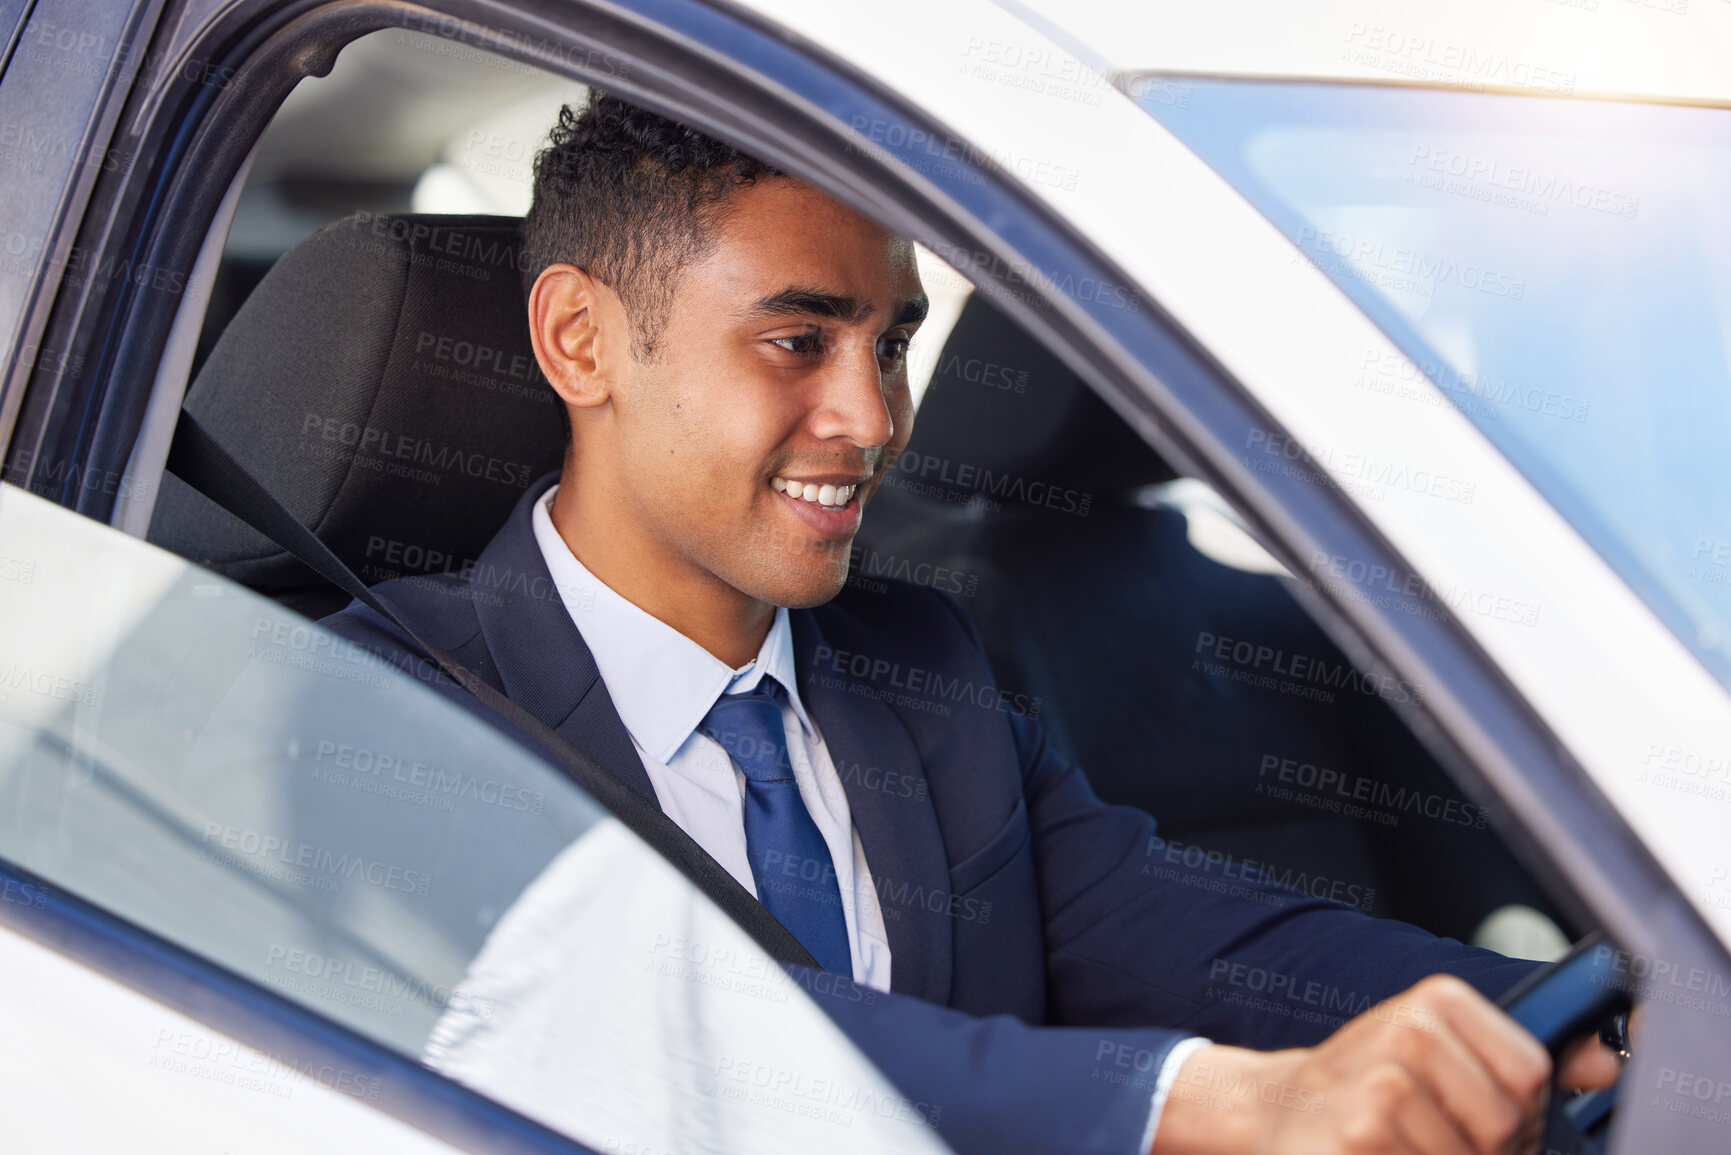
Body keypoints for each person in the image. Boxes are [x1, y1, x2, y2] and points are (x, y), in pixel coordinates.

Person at [323, 91, 1619, 1154]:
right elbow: (669, 1029)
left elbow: (1180, 926)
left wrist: (1542, 1011)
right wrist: (1232, 1102)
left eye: (889, 345)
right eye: (796, 343)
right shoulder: (381, 700)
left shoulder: (916, 664)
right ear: (579, 341)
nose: (875, 418)